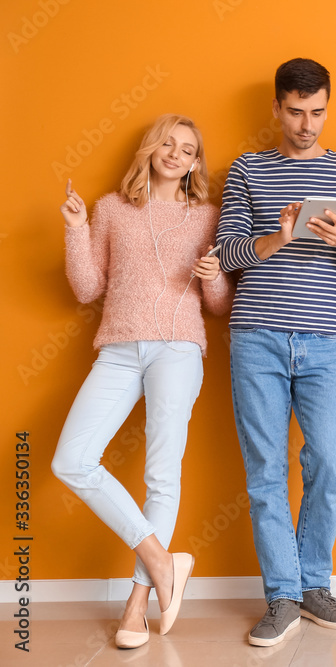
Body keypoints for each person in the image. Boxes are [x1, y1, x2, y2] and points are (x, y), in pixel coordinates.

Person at [51, 114, 231, 649]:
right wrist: (76, 227)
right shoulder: (110, 209)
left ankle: (136, 606)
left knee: (161, 474)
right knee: (71, 460)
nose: (177, 154)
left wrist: (214, 276)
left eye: (189, 149)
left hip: (179, 348)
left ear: (197, 162)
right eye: (168, 144)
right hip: (118, 349)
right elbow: (87, 290)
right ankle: (161, 560)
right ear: (151, 149)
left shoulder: (209, 218)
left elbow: (218, 306)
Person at [215, 58, 336, 647]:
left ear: (327, 108)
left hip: (322, 340)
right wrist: (277, 237)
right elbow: (227, 253)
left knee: (327, 460)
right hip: (255, 336)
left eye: (317, 112)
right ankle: (282, 595)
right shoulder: (248, 169)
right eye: (295, 112)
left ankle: (315, 586)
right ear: (276, 109)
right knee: (266, 472)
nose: (306, 124)